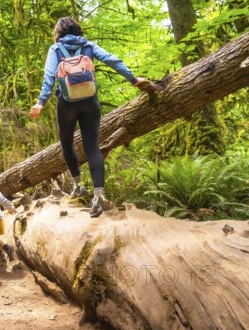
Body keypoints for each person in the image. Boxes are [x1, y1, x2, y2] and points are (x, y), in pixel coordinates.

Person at [30, 17, 155, 218]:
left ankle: (78, 185)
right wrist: (133, 79)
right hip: (90, 101)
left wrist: (41, 102)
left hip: (67, 103)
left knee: (67, 142)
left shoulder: (55, 49)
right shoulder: (88, 45)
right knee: (92, 147)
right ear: (78, 30)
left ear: (58, 33)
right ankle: (98, 196)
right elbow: (111, 60)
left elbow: (49, 75)